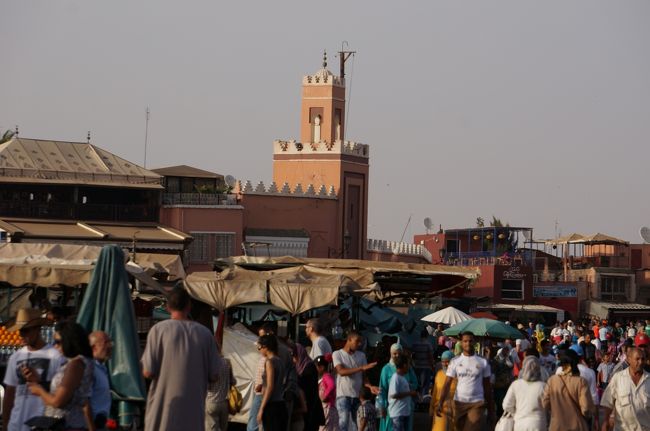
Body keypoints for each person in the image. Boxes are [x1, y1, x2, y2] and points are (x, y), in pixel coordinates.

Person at [141, 287, 219, 431]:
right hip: (193, 417)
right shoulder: (205, 334)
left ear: (167, 307)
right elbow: (214, 375)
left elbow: (147, 372)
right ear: (189, 306)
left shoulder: (158, 331)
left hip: (162, 416)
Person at [3, 308, 64, 431]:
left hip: (41, 424)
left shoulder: (55, 356)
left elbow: (60, 394)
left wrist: (38, 382)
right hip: (16, 425)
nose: (21, 335)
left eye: (26, 331)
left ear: (37, 329)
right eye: (20, 331)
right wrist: (5, 425)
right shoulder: (16, 357)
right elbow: (10, 393)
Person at [28, 321, 94, 430]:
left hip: (64, 424)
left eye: (58, 342)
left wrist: (39, 390)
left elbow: (57, 401)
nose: (55, 345)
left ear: (70, 341)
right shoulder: (83, 362)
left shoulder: (76, 365)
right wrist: (40, 382)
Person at [436, 331, 494, 431]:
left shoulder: (483, 362)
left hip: (477, 403)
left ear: (475, 342)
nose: (468, 343)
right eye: (465, 341)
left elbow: (487, 387)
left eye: (470, 341)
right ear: (461, 343)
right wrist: (440, 402)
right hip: (459, 403)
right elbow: (447, 383)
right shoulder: (455, 361)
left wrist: (491, 410)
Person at [332, 332, 378, 431]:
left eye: (360, 342)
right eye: (357, 341)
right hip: (343, 395)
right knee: (343, 422)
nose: (359, 344)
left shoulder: (361, 355)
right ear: (349, 340)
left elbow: (364, 377)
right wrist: (361, 368)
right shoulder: (337, 354)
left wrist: (370, 387)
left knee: (356, 425)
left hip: (357, 396)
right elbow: (341, 371)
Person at [542, 350, 596, 431]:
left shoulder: (552, 380)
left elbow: (544, 404)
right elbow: (586, 409)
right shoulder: (580, 382)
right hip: (576, 425)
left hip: (556, 426)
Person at [600, 347, 650, 430]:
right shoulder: (618, 378)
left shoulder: (649, 379)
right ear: (629, 360)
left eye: (643, 359)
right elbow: (608, 401)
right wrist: (606, 421)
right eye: (637, 359)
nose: (641, 362)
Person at [377, 344, 417, 431]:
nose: (397, 356)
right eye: (394, 354)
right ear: (391, 354)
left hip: (406, 405)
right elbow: (382, 389)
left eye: (399, 353)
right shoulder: (386, 369)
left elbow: (415, 383)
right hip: (392, 407)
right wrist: (382, 406)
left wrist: (407, 386)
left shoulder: (408, 368)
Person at [502, 356, 547, 430]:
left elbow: (506, 405)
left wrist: (516, 413)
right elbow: (549, 407)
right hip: (538, 424)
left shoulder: (516, 384)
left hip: (520, 423)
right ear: (539, 369)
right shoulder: (543, 386)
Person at [257, 334, 288, 431]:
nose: (259, 350)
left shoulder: (269, 362)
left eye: (259, 347)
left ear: (265, 347)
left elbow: (270, 387)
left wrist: (261, 409)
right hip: (281, 404)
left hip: (271, 406)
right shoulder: (281, 361)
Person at [205, 339, 236, 431]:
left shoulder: (208, 363)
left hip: (210, 402)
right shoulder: (227, 362)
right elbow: (233, 381)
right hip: (224, 402)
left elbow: (206, 386)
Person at [293, 343, 325, 431]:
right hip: (308, 410)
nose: (294, 359)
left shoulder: (309, 367)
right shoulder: (300, 367)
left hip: (311, 411)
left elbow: (307, 389)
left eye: (295, 356)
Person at [87, 331, 113, 431]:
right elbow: (85, 402)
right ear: (93, 347)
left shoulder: (101, 368)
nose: (110, 346)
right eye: (106, 343)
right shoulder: (90, 369)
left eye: (110, 342)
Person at [387, 355, 415, 431]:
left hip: (403, 412)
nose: (409, 367)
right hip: (398, 414)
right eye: (408, 364)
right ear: (405, 365)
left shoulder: (402, 377)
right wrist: (409, 393)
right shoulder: (395, 378)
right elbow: (394, 395)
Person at [429, 350, 456, 431]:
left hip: (454, 412)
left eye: (448, 362)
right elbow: (434, 393)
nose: (445, 364)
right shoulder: (439, 374)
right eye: (443, 362)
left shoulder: (458, 376)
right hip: (440, 411)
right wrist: (431, 409)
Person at [314, 355, 338, 431]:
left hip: (327, 407)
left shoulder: (326, 377)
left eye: (316, 367)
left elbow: (331, 385)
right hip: (328, 408)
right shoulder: (324, 377)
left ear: (322, 367)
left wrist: (324, 397)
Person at [491, 344, 514, 418]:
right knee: (499, 402)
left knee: (508, 402)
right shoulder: (496, 359)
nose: (506, 351)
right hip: (498, 385)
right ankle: (499, 418)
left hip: (508, 384)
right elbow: (493, 372)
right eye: (504, 349)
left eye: (507, 349)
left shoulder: (510, 358)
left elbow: (511, 368)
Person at [411, 330, 434, 397]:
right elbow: (430, 356)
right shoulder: (428, 344)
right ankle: (423, 399)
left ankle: (418, 397)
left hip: (417, 366)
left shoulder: (415, 344)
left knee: (418, 384)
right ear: (427, 336)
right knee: (425, 385)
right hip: (426, 367)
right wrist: (432, 366)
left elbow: (412, 355)